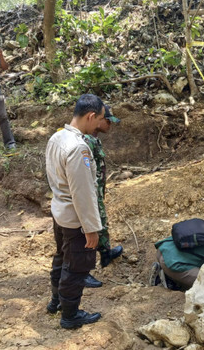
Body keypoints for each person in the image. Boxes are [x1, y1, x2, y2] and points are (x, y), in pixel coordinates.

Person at [45, 94, 106, 329]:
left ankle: (56, 302)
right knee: (77, 265)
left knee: (61, 258)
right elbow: (83, 193)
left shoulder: (57, 137)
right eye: (99, 119)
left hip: (59, 211)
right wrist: (92, 228)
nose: (99, 124)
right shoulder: (78, 148)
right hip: (75, 218)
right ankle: (70, 315)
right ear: (90, 116)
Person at [82, 104, 124, 288]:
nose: (109, 125)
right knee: (90, 227)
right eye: (107, 121)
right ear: (96, 120)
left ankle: (105, 253)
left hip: (97, 190)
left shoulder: (94, 139)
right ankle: (83, 271)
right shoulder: (85, 142)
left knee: (101, 222)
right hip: (90, 191)